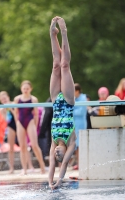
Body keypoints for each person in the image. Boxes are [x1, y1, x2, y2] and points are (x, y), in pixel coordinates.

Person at [49, 16, 76, 190]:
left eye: (56, 155)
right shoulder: (71, 141)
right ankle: (64, 33)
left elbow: (52, 164)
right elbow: (63, 165)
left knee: (56, 66)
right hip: (67, 101)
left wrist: (49, 181)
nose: (57, 153)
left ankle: (53, 35)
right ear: (65, 154)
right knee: (65, 65)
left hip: (54, 101)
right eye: (61, 155)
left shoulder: (53, 142)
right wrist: (59, 181)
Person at [14, 80, 45, 174]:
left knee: (35, 145)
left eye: (27, 88)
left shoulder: (33, 99)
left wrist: (35, 125)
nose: (25, 90)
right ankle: (24, 169)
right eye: (24, 88)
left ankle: (42, 167)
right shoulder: (17, 99)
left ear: (30, 89)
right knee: (22, 146)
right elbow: (16, 112)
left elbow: (36, 114)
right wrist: (17, 123)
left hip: (30, 121)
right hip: (20, 122)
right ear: (21, 89)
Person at [0, 91, 17, 173]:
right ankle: (11, 168)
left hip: (19, 124)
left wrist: (11, 108)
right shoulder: (2, 109)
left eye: (5, 98)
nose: (4, 100)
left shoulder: (14, 103)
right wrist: (5, 112)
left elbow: (17, 117)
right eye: (2, 99)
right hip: (10, 126)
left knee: (25, 146)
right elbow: (7, 121)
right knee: (11, 148)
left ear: (8, 97)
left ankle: (29, 166)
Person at [73, 83, 87, 170]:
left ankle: (82, 163)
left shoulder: (83, 98)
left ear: (77, 91)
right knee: (75, 145)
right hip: (74, 123)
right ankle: (78, 163)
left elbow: (81, 112)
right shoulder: (73, 98)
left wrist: (71, 111)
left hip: (81, 123)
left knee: (80, 145)